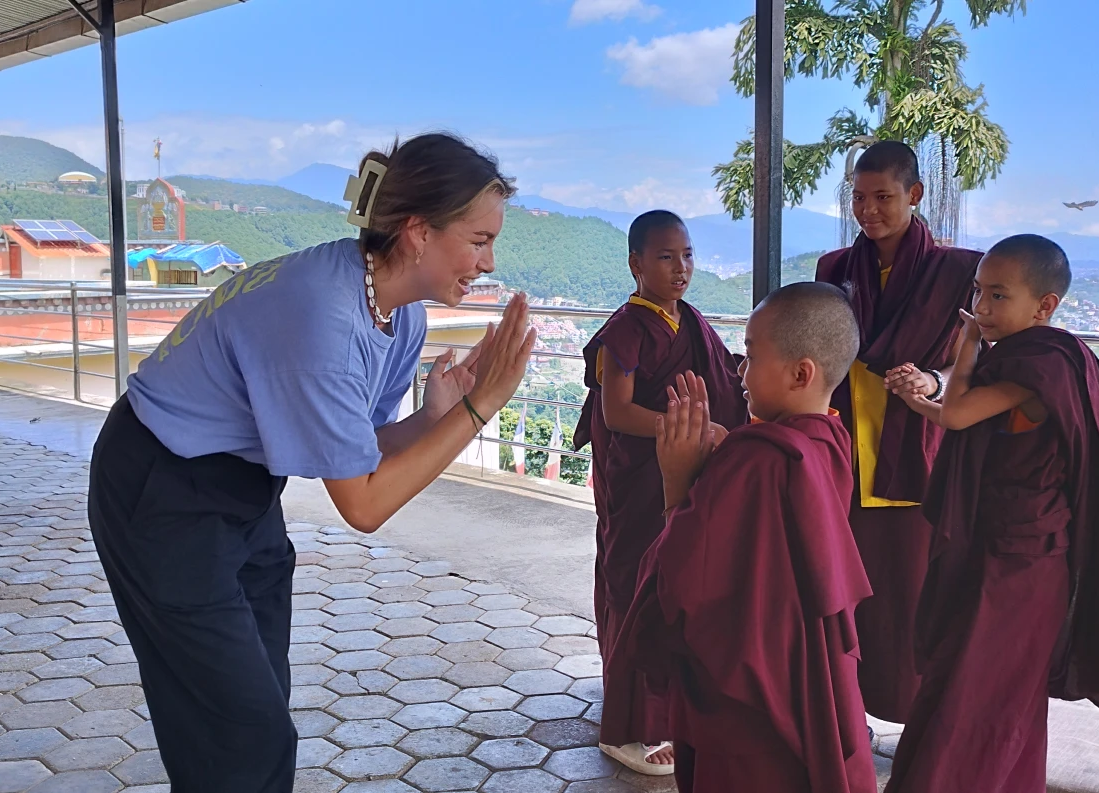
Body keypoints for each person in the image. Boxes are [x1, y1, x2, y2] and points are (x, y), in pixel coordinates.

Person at [87, 133, 537, 793]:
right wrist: (481, 409)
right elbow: (364, 505)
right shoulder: (322, 312)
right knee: (242, 732)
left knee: (258, 703)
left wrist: (438, 413)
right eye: (477, 240)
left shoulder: (396, 315)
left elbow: (362, 451)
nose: (489, 261)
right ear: (416, 232)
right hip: (161, 487)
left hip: (242, 489)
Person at [885, 234, 1099, 793]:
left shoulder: (1039, 365)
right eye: (977, 294)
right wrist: (917, 402)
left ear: (1044, 306)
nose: (981, 308)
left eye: (998, 296)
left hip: (1018, 563)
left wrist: (968, 344)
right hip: (1010, 549)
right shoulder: (1045, 356)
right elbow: (966, 416)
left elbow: (958, 418)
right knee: (993, 694)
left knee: (974, 695)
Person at [610, 282, 876, 793]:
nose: (740, 370)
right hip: (803, 668)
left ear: (801, 373)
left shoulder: (759, 458)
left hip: (747, 688)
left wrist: (677, 482)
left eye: (751, 355)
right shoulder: (828, 438)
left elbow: (685, 579)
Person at [572, 210, 748, 774]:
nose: (681, 268)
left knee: (676, 583)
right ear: (636, 264)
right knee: (632, 581)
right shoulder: (625, 329)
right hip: (637, 478)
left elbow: (724, 373)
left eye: (689, 255)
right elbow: (616, 411)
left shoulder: (692, 320)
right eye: (666, 257)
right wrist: (687, 429)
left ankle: (666, 710)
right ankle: (625, 727)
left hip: (679, 472)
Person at [814, 140, 981, 724]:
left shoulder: (960, 272)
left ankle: (922, 726)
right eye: (858, 198)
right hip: (843, 456)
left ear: (914, 195)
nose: (869, 211)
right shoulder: (834, 269)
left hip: (916, 457)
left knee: (912, 600)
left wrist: (933, 382)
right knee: (842, 596)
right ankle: (842, 717)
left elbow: (977, 361)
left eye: (883, 197)